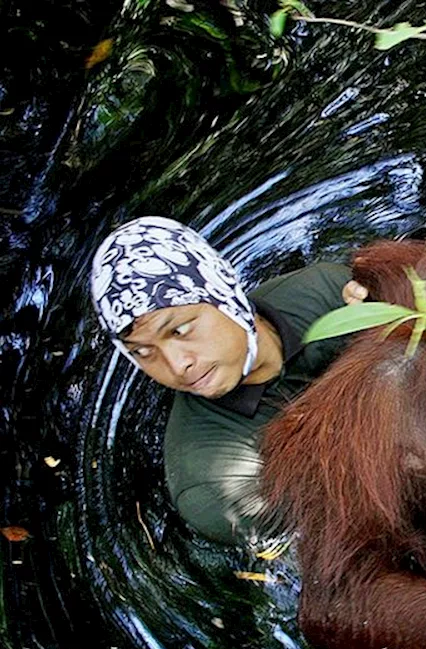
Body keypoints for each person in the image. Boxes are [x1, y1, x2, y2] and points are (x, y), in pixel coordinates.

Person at [91, 216, 368, 543]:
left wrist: (389, 304)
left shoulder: (327, 294)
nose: (178, 365)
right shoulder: (212, 488)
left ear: (223, 292)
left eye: (180, 330)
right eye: (143, 352)